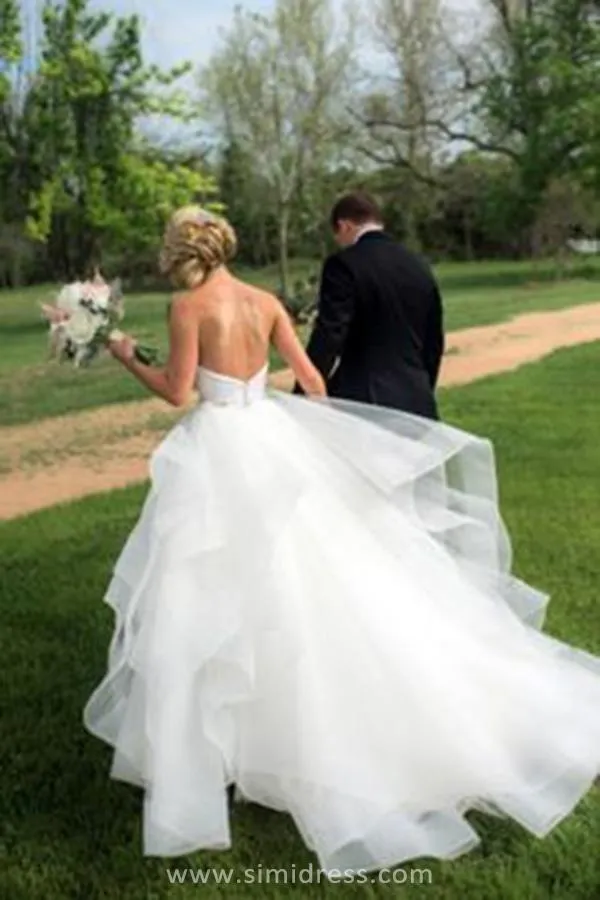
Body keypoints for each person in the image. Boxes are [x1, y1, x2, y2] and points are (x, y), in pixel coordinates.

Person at [84, 205, 600, 875]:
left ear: (182, 250)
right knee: (315, 580)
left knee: (214, 590)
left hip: (220, 449)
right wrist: (311, 440)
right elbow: (317, 381)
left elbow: (179, 392)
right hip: (273, 434)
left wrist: (127, 357)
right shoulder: (265, 300)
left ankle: (233, 745)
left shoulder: (189, 308)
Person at [294, 191, 444, 419]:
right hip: (416, 401)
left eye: (338, 236)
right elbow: (434, 341)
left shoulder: (343, 265)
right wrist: (422, 388)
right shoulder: (419, 265)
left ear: (344, 225)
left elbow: (330, 334)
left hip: (363, 400)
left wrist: (303, 392)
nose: (340, 243)